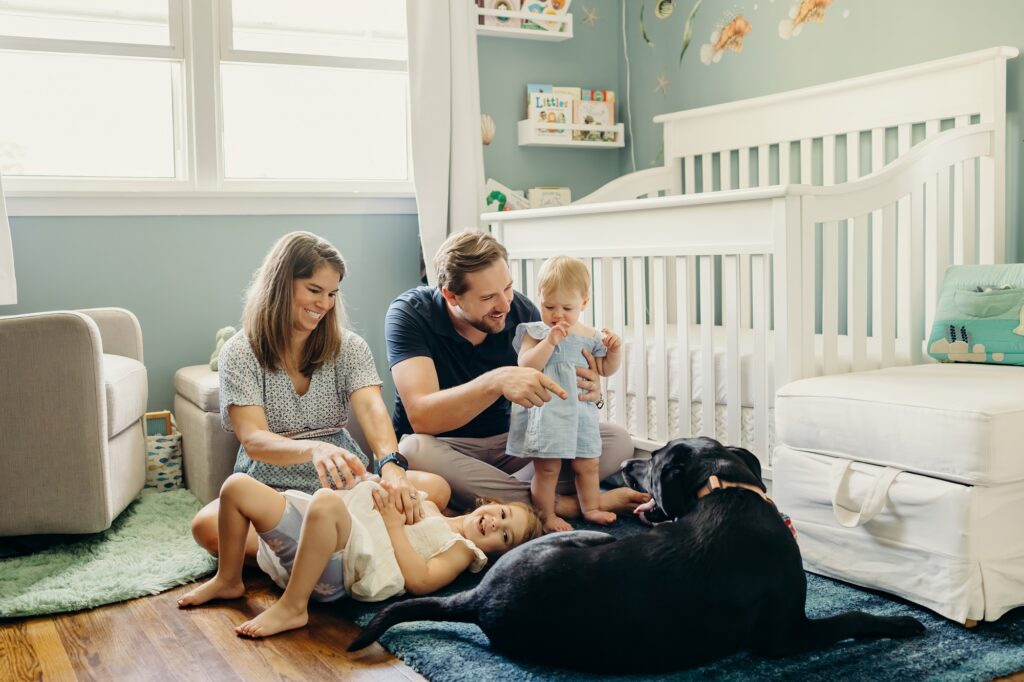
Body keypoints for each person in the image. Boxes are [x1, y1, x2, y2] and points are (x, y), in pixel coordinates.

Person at [192, 231, 438, 559]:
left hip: (342, 483)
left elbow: (372, 410)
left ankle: (314, 551)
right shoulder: (240, 352)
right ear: (281, 285)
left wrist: (392, 466)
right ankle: (347, 546)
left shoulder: (349, 346)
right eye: (314, 290)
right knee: (207, 528)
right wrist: (314, 448)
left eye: (332, 294)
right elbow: (253, 439)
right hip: (270, 486)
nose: (324, 304)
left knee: (437, 488)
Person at [385, 229, 650, 519]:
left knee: (617, 441)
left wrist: (590, 392)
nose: (505, 305)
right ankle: (558, 505)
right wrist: (497, 381)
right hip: (447, 449)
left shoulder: (521, 310)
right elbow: (423, 417)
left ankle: (492, 497)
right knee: (412, 449)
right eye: (488, 297)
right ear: (451, 295)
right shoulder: (410, 314)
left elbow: (554, 377)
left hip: (511, 443)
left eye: (508, 288)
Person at [178, 473, 542, 638]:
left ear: (496, 555)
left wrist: (393, 524)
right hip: (326, 534)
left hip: (345, 568)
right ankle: (228, 580)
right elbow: (382, 491)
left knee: (325, 503)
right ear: (493, 504)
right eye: (503, 515)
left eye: (505, 537)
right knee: (237, 486)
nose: (494, 526)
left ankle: (294, 606)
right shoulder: (428, 502)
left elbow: (419, 581)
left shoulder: (463, 549)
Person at [509, 256, 623, 532]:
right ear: (540, 301)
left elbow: (605, 369)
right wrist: (549, 342)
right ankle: (546, 515)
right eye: (549, 306)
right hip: (547, 413)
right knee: (547, 470)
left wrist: (616, 351)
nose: (557, 315)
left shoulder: (591, 336)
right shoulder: (535, 332)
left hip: (582, 413)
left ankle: (591, 507)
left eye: (567, 308)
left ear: (584, 303)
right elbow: (526, 365)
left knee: (588, 464)